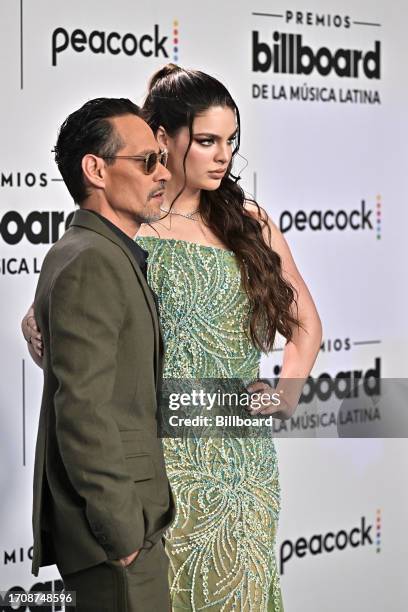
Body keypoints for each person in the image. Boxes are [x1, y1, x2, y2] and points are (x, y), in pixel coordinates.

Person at [24, 65, 322, 611]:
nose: (222, 155)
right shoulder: (131, 223)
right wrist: (32, 326)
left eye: (230, 141)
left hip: (237, 467)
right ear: (163, 138)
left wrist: (286, 393)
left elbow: (306, 323)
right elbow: (66, 319)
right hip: (155, 464)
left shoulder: (250, 222)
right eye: (206, 140)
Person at [23, 97, 175, 612]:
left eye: (163, 158)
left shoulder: (104, 253)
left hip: (127, 529)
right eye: (147, 161)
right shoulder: (91, 259)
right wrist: (124, 537)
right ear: (96, 169)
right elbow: (83, 410)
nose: (163, 172)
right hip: (115, 542)